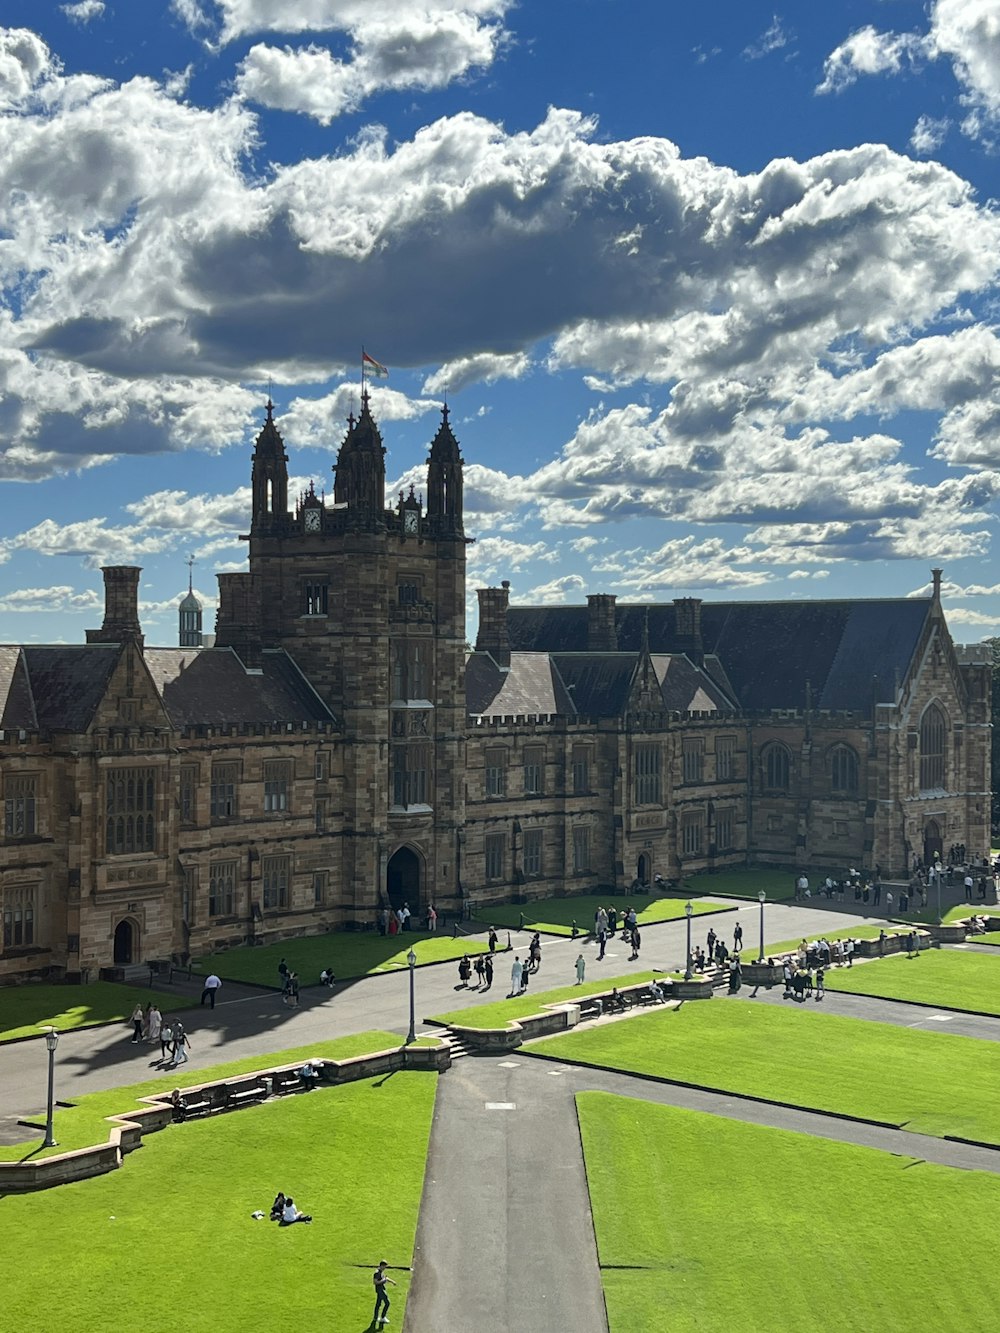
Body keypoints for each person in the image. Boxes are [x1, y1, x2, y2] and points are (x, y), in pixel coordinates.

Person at [372, 1260, 396, 1326]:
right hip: (380, 1290)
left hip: (381, 1289)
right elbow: (375, 1282)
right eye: (384, 1266)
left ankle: (375, 1318)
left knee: (378, 1304)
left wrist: (392, 1282)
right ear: (382, 1266)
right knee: (387, 1303)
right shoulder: (377, 1273)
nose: (385, 1268)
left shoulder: (380, 1272)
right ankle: (383, 1317)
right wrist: (383, 1280)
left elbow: (385, 1278)